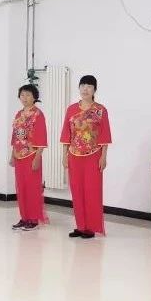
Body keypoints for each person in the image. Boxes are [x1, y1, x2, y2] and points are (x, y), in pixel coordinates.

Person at [61, 75, 112, 238]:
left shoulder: (100, 110)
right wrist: (64, 155)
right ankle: (80, 226)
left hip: (93, 155)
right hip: (74, 155)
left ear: (94, 90)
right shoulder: (71, 109)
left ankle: (91, 227)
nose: (85, 89)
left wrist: (103, 157)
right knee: (76, 190)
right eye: (83, 85)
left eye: (89, 86)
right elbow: (66, 133)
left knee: (92, 191)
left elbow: (105, 134)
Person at [11, 83, 49, 230]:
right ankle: (24, 217)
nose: (24, 98)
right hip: (18, 156)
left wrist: (37, 157)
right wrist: (12, 155)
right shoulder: (18, 114)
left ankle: (33, 219)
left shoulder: (38, 114)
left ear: (34, 97)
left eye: (28, 95)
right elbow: (15, 136)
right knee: (21, 188)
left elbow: (41, 137)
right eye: (22, 95)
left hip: (32, 156)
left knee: (33, 188)